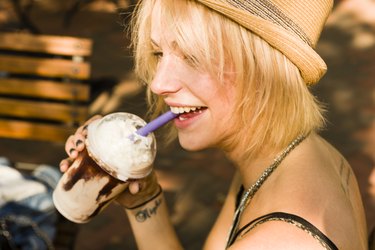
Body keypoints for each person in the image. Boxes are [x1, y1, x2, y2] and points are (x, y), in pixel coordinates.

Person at [60, 0, 369, 249]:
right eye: (158, 52)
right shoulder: (294, 154)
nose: (158, 83)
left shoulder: (282, 240)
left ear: (263, 70)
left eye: (192, 57)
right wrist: (144, 201)